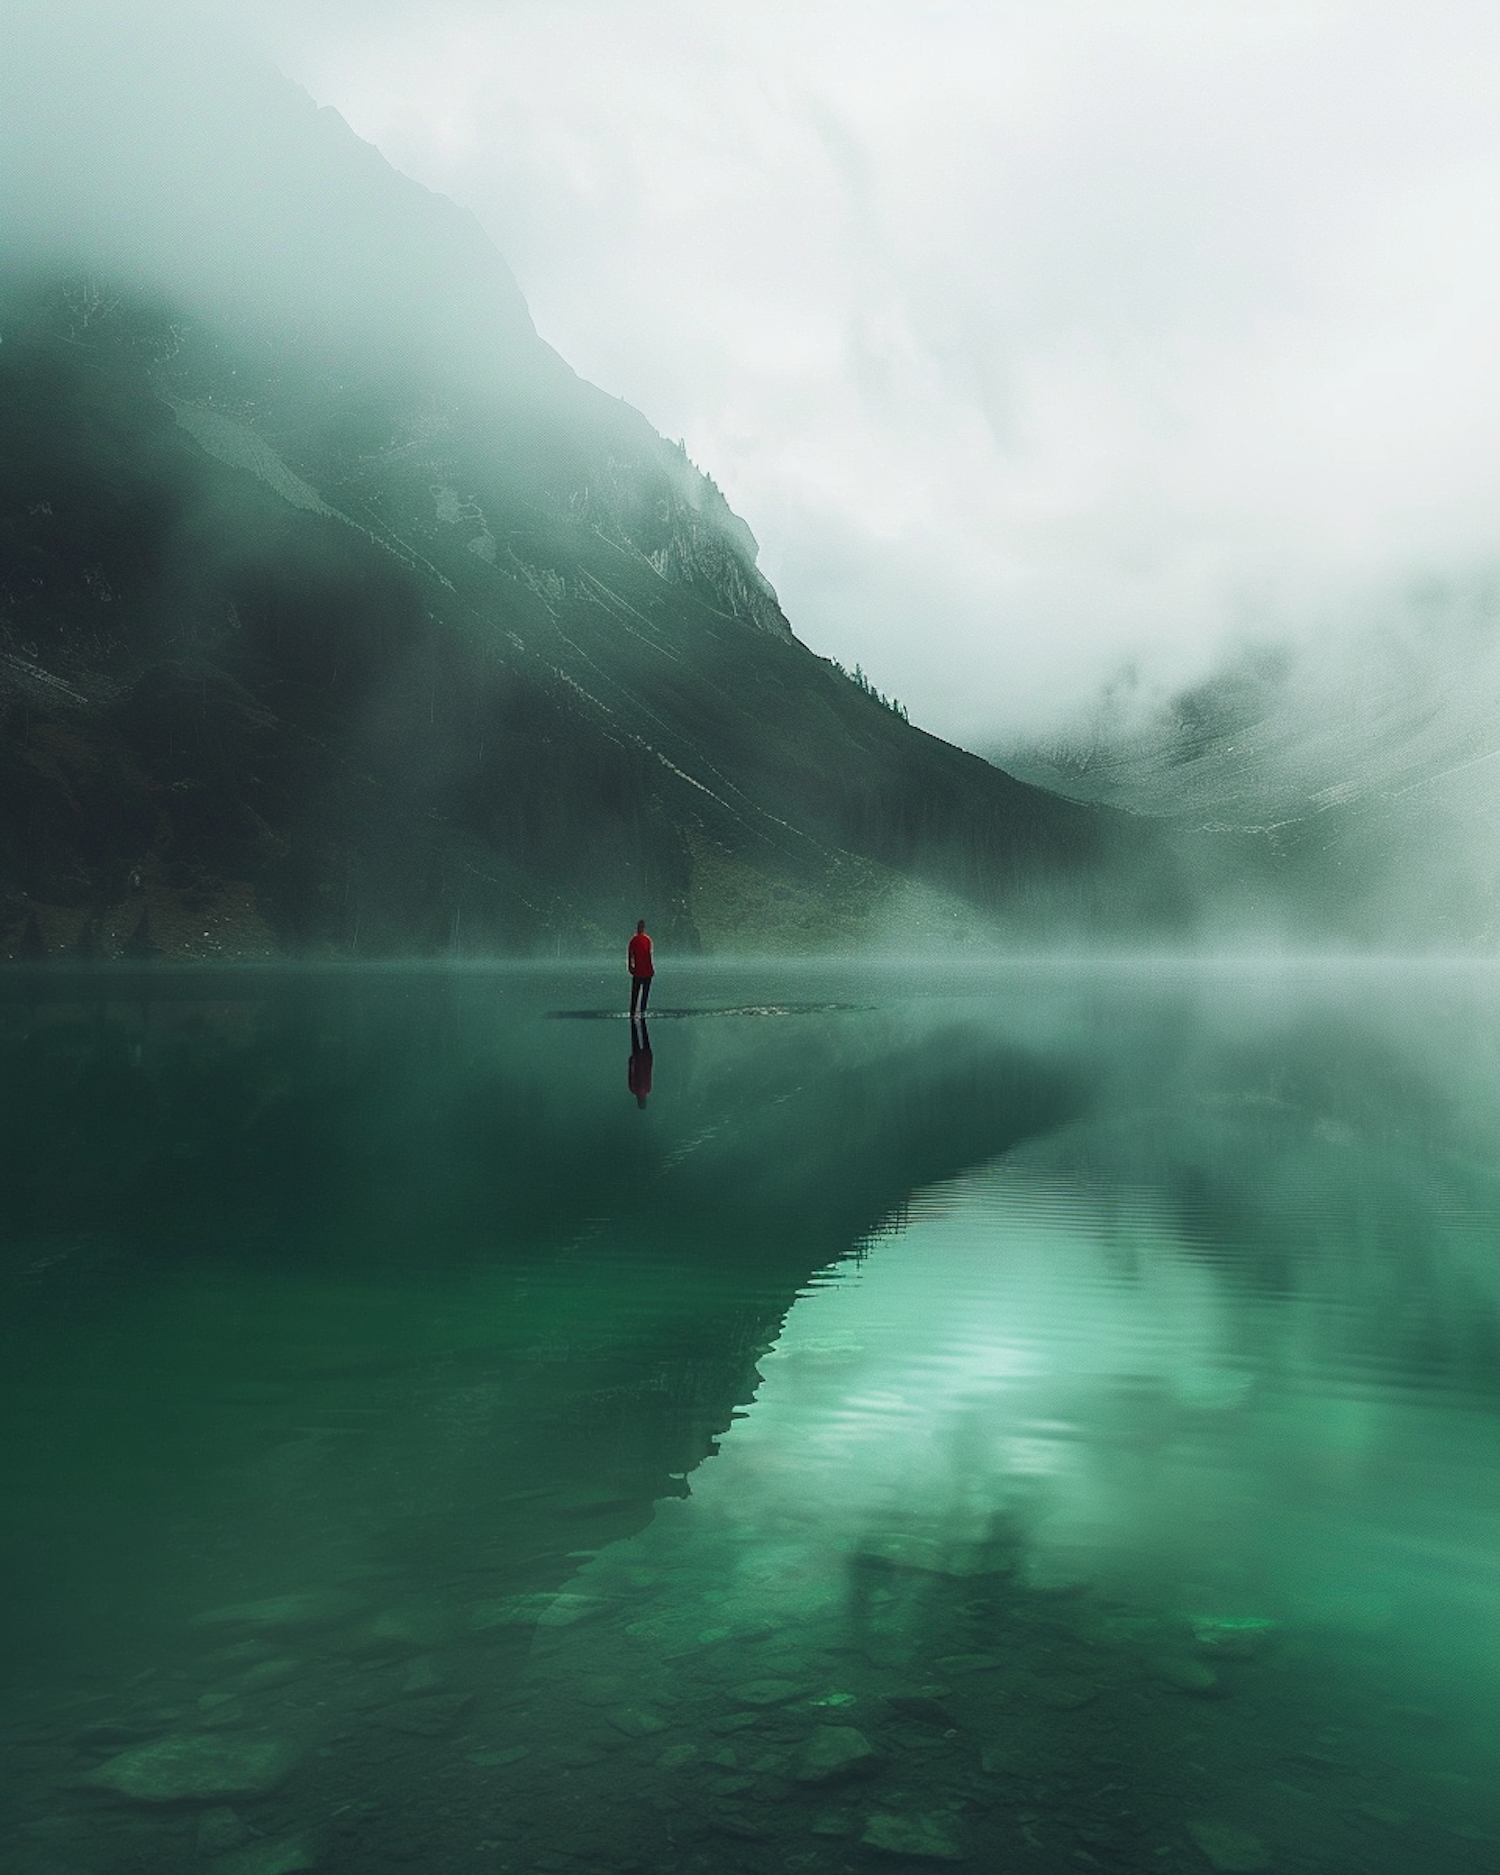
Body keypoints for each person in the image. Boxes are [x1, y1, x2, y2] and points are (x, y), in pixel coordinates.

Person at [627, 919, 654, 1021]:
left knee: (644, 995)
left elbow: (649, 955)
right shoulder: (634, 940)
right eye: (639, 926)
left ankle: (642, 1012)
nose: (640, 928)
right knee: (635, 994)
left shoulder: (647, 940)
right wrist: (630, 966)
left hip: (646, 971)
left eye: (641, 926)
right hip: (638, 971)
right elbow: (630, 955)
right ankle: (633, 1012)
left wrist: (651, 968)